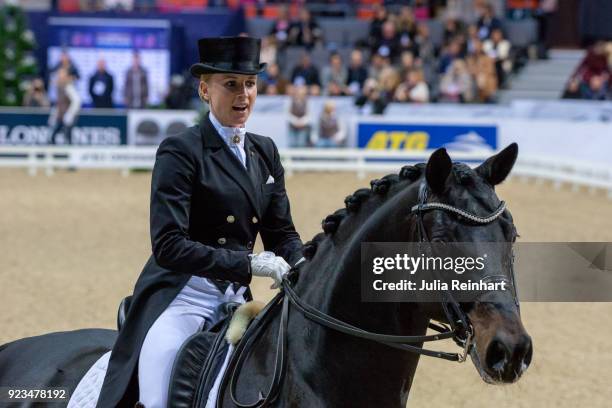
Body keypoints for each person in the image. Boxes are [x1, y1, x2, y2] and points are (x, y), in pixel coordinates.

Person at [97, 36, 303, 408]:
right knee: (157, 398)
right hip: (182, 296)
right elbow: (168, 244)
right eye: (231, 85)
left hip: (237, 298)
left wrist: (305, 265)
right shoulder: (181, 151)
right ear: (205, 90)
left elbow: (281, 233)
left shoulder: (264, 151)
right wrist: (249, 263)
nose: (243, 95)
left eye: (250, 85)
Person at [48, 67, 81, 145]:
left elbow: (77, 101)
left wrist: (69, 114)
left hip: (67, 116)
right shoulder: (59, 86)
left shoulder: (68, 86)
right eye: (59, 74)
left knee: (67, 138)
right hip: (60, 116)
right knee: (52, 136)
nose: (59, 76)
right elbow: (59, 102)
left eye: (61, 74)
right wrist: (54, 114)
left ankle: (69, 154)